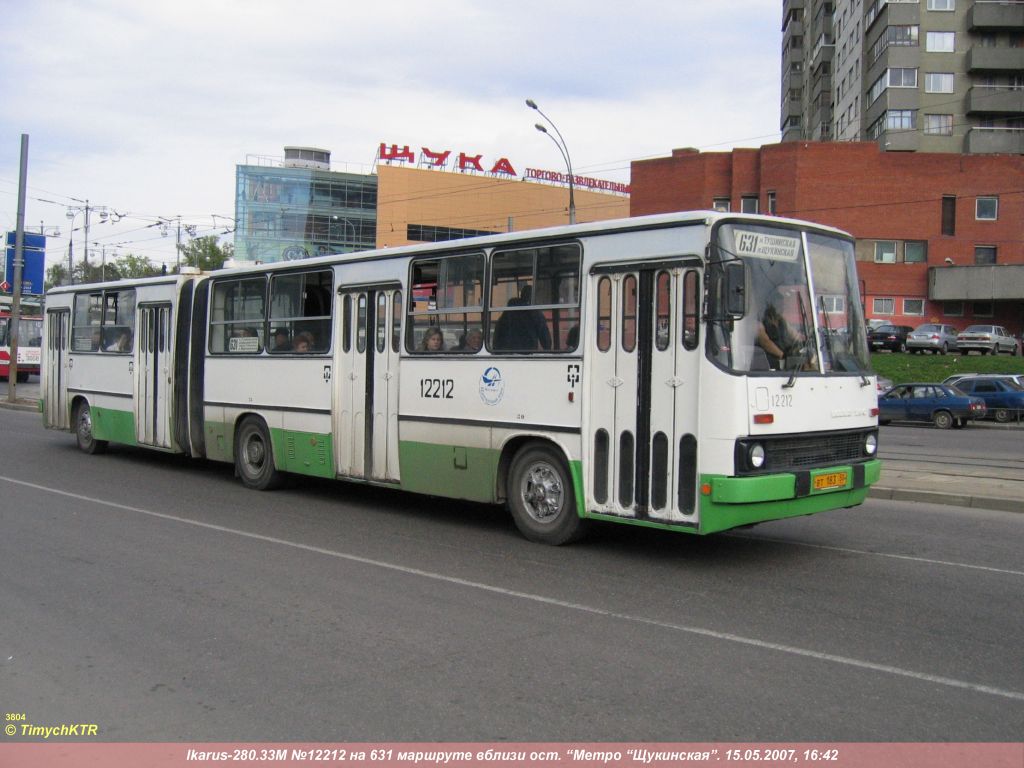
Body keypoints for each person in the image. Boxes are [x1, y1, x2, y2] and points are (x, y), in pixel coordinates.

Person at [492, 285, 552, 351]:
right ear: (531, 298)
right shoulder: (535, 313)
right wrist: (548, 349)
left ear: (521, 295)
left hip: (506, 354)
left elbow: (497, 335)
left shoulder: (507, 313)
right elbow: (545, 340)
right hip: (527, 353)